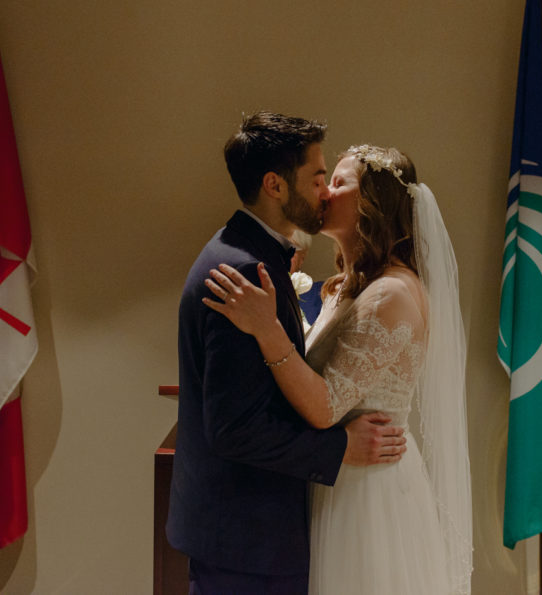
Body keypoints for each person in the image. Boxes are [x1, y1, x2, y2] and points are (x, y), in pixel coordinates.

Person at [204, 145, 473, 594]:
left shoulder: (392, 294)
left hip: (369, 497)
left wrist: (266, 328)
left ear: (372, 204)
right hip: (335, 480)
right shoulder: (349, 286)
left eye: (339, 183)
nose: (325, 191)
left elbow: (326, 406)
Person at [168, 114, 408, 594]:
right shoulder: (244, 272)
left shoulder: (249, 256)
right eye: (318, 178)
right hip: (246, 537)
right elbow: (235, 429)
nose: (324, 192)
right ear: (275, 185)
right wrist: (340, 448)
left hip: (248, 532)